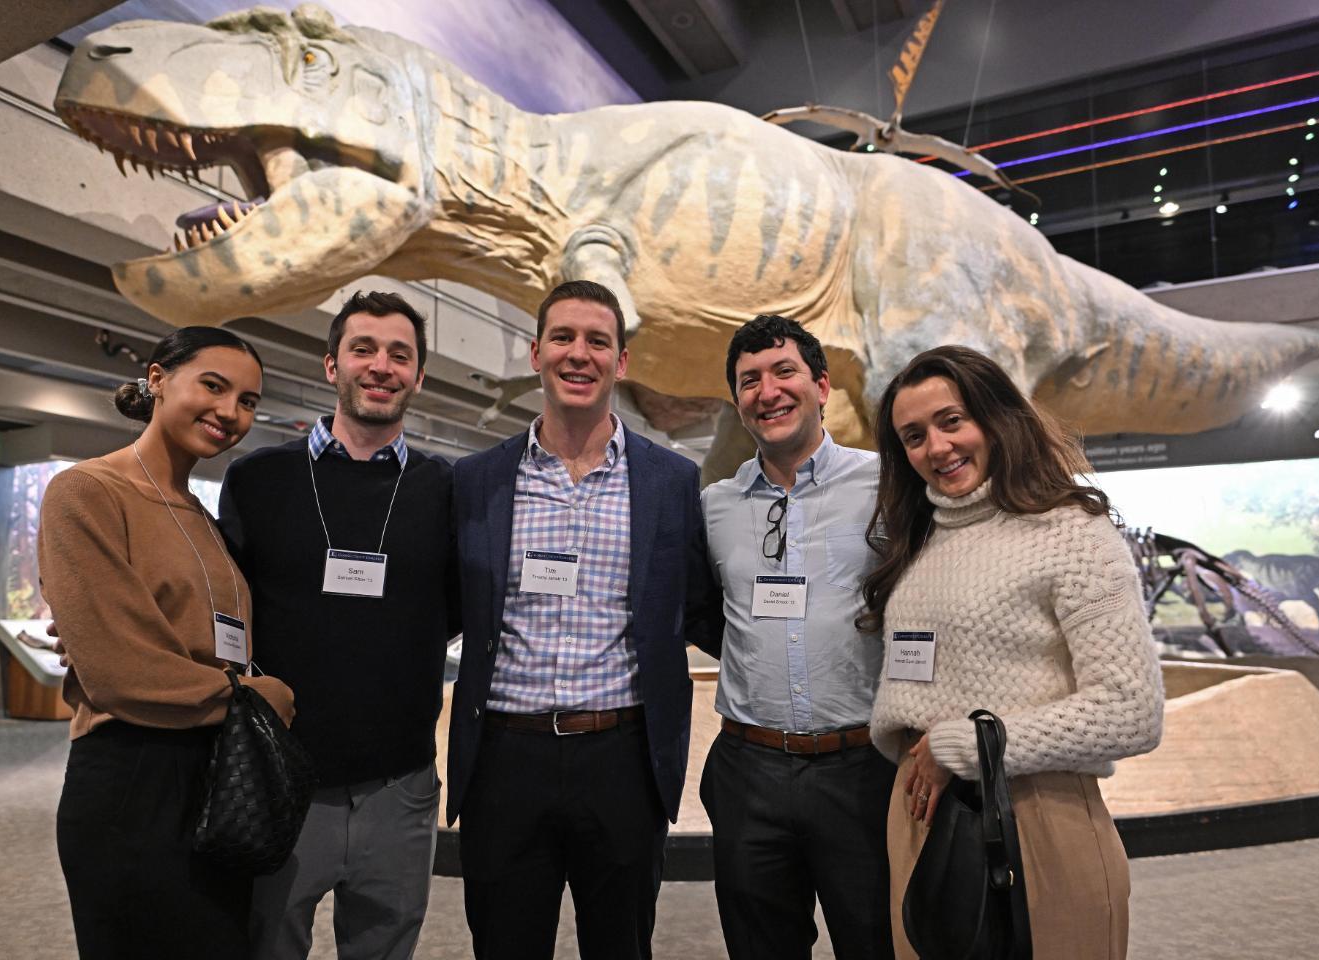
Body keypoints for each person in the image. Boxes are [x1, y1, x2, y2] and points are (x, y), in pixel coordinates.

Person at [860, 345, 1165, 960]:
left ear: (996, 418)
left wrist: (969, 744)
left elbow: (1132, 710)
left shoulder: (1073, 534)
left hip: (1037, 817)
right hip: (921, 818)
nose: (937, 448)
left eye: (952, 421)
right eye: (914, 436)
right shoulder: (918, 542)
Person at [448, 279, 711, 960]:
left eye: (598, 341)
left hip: (621, 756)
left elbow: (703, 605)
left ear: (621, 361)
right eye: (563, 337)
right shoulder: (476, 481)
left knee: (622, 946)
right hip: (506, 756)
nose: (579, 353)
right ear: (536, 352)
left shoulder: (670, 483)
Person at [217, 292, 459, 960]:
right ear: (331, 365)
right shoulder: (259, 480)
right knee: (266, 947)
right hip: (280, 777)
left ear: (417, 375)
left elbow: (452, 608)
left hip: (400, 787)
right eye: (363, 349)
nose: (381, 365)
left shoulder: (447, 490)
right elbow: (216, 604)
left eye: (400, 354)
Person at [40, 328, 294, 959]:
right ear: (157, 379)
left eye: (248, 401)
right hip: (134, 775)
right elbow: (120, 673)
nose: (229, 412)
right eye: (213, 385)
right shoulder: (88, 491)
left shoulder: (201, 516)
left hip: (220, 776)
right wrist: (258, 698)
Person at [697, 314, 894, 959]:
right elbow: (703, 611)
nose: (767, 391)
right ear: (737, 402)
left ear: (822, 386)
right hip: (748, 769)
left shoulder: (887, 486)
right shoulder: (716, 505)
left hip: (862, 770)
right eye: (749, 380)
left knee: (877, 942)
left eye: (784, 372)